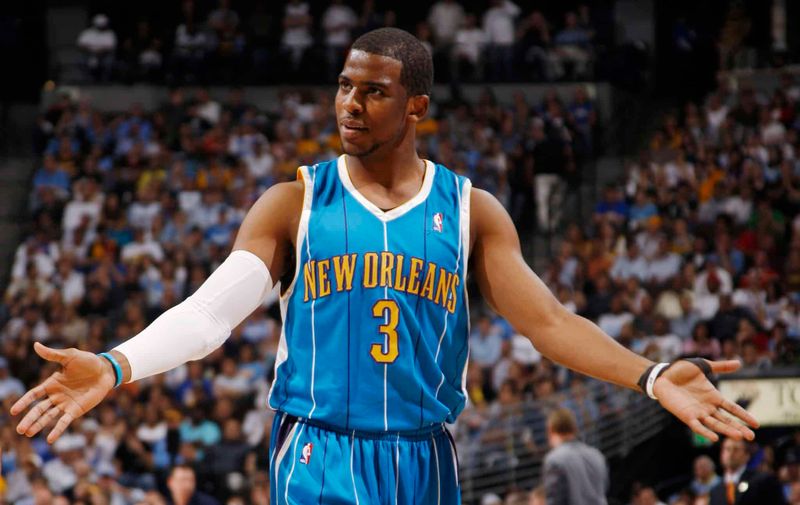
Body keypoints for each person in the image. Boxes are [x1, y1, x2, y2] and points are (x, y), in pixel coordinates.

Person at [9, 28, 757, 504]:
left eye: (374, 91)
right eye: (345, 85)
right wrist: (116, 364)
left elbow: (550, 323)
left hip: (425, 455)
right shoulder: (295, 202)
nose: (351, 103)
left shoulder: (471, 211)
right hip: (319, 448)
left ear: (416, 106)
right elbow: (209, 315)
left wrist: (653, 376)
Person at [542, 408, 608, 504]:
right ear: (574, 429)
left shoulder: (554, 460)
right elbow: (604, 489)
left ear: (550, 430)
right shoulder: (597, 455)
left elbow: (555, 500)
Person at [708, 437, 786, 505]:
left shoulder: (763, 481)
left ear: (747, 455)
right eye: (727, 449)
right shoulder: (715, 490)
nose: (731, 454)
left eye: (736, 449)